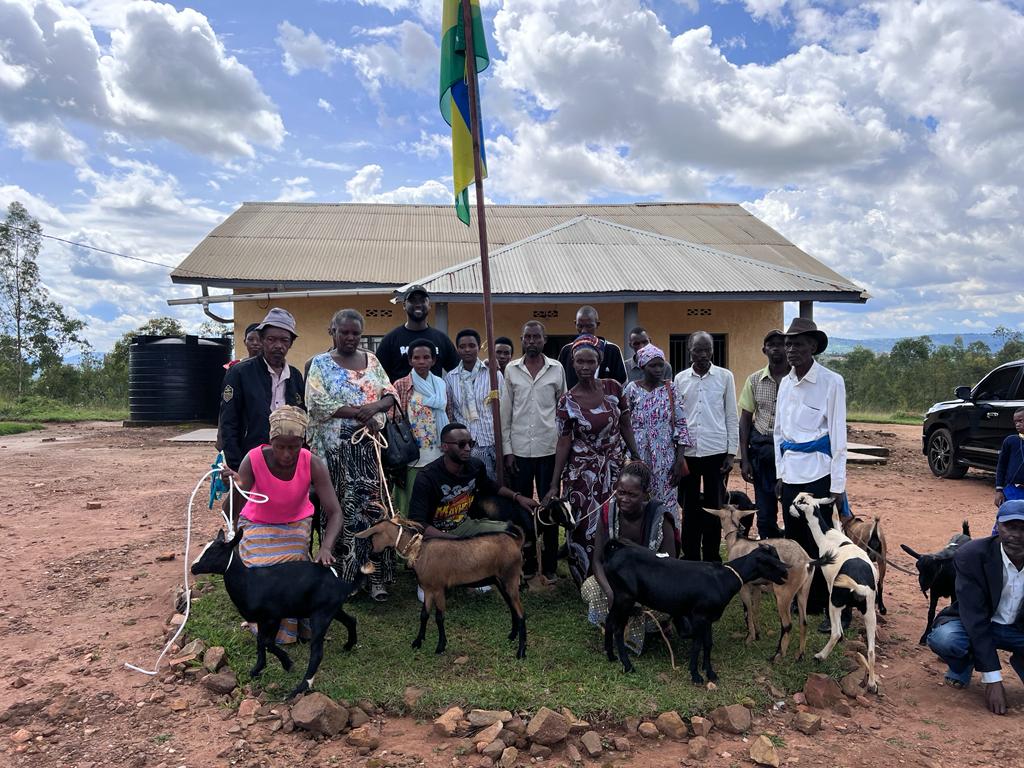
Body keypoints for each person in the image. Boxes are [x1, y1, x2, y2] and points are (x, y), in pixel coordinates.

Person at [221, 405, 343, 644]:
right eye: (280, 447)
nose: (287, 454)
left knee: (291, 573)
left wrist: (326, 547)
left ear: (303, 443)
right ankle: (271, 622)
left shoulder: (312, 463)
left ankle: (292, 620)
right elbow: (228, 512)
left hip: (295, 525)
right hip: (257, 524)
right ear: (271, 441)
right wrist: (235, 487)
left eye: (294, 447)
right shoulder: (253, 459)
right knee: (262, 574)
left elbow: (335, 512)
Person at [305, 309, 399, 601]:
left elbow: (390, 394)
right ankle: (343, 578)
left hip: (369, 454)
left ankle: (376, 578)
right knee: (340, 512)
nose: (350, 337)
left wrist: (375, 407)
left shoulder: (373, 360)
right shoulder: (320, 364)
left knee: (373, 512)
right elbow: (316, 403)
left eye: (355, 333)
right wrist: (360, 413)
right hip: (334, 456)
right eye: (343, 332)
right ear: (332, 331)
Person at [545, 334, 639, 587]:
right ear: (572, 363)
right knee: (584, 524)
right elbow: (563, 441)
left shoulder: (613, 388)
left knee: (617, 521)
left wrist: (636, 456)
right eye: (580, 362)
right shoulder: (567, 401)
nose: (585, 367)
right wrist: (554, 484)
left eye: (590, 361)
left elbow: (625, 424)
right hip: (582, 474)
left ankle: (618, 577)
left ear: (599, 362)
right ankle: (586, 579)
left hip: (615, 469)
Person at [773, 317, 847, 620]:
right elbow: (779, 433)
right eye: (788, 344)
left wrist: (837, 485)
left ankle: (824, 599)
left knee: (822, 540)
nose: (791, 349)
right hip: (790, 473)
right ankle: (801, 595)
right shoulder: (785, 383)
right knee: (795, 539)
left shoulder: (831, 381)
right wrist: (780, 473)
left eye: (798, 344)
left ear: (813, 347)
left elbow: (838, 436)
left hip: (819, 474)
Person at [926, 500, 1024, 715]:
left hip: (1018, 630)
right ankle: (965, 663)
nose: (1016, 535)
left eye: (1023, 528)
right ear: (997, 526)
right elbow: (975, 618)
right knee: (945, 639)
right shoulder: (972, 555)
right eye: (1010, 527)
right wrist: (993, 679)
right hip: (975, 623)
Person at [581, 461, 678, 654]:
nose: (624, 499)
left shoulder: (661, 518)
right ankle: (623, 626)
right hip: (618, 582)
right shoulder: (608, 513)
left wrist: (638, 592)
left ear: (645, 494)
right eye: (621, 492)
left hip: (652, 583)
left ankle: (645, 628)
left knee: (659, 607)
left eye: (632, 495)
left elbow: (669, 564)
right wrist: (610, 593)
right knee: (590, 588)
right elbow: (598, 560)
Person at [500, 321, 567, 581]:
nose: (531, 341)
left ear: (544, 340)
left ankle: (549, 565)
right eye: (527, 337)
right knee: (522, 509)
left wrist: (562, 448)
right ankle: (526, 563)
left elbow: (563, 410)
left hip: (548, 448)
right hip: (519, 451)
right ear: (521, 339)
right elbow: (506, 413)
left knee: (549, 506)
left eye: (536, 337)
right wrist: (507, 450)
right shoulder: (511, 369)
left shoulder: (556, 369)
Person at [673, 331, 738, 562]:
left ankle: (711, 557)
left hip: (716, 451)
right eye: (697, 350)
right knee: (689, 507)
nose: (702, 355)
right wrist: (678, 454)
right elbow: (677, 418)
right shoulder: (680, 379)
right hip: (688, 453)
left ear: (712, 351)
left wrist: (731, 453)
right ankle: (690, 556)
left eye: (707, 350)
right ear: (689, 350)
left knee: (714, 506)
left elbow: (731, 415)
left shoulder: (725, 377)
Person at [409, 423, 538, 536]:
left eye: (471, 443)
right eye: (461, 444)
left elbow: (491, 486)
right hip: (437, 536)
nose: (468, 448)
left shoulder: (475, 466)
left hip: (465, 525)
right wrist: (460, 542)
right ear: (444, 447)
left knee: (512, 533)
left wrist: (517, 497)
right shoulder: (427, 477)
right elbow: (418, 523)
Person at [219, 308, 305, 471]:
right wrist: (236, 465)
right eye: (271, 339)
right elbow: (228, 423)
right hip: (250, 458)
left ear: (291, 343)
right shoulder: (240, 372)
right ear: (262, 340)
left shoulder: (295, 376)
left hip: (287, 460)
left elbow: (301, 419)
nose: (278, 345)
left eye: (284, 340)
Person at [623, 343, 692, 537]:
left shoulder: (671, 389)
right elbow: (624, 423)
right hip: (637, 455)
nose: (658, 369)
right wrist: (629, 456)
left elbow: (681, 425)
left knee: (666, 502)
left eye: (661, 365)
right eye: (653, 365)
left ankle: (668, 543)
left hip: (665, 458)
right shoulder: (632, 389)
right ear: (643, 367)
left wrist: (679, 461)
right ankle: (640, 541)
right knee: (637, 499)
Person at [393, 339, 455, 515]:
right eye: (416, 357)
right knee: (410, 502)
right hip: (412, 456)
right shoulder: (401, 385)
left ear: (433, 360)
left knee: (435, 501)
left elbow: (449, 414)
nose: (421, 361)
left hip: (438, 454)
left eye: (426, 357)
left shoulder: (441, 385)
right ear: (410, 360)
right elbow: (394, 419)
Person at [738, 329, 788, 539]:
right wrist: (745, 459)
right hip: (762, 453)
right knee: (765, 513)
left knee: (793, 509)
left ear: (788, 348)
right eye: (771, 345)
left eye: (781, 344)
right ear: (764, 350)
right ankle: (769, 547)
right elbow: (745, 420)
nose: (776, 348)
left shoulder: (796, 380)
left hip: (790, 453)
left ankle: (793, 551)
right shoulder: (754, 380)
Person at [443, 329, 504, 480]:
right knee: (474, 485)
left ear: (479, 347)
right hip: (468, 445)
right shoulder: (450, 378)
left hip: (493, 440)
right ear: (457, 349)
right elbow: (450, 412)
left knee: (496, 485)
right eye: (462, 346)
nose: (467, 350)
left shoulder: (493, 373)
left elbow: (503, 407)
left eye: (472, 345)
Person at [375, 285, 458, 381]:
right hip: (400, 390)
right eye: (412, 300)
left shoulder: (441, 339)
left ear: (429, 305)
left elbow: (457, 373)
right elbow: (377, 377)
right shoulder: (390, 340)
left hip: (434, 391)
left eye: (422, 300)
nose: (418, 304)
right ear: (404, 305)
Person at [557, 306, 627, 388]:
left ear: (597, 324)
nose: (584, 330)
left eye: (589, 326)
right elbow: (559, 380)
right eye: (580, 326)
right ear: (575, 324)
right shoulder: (566, 350)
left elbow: (622, 383)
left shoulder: (612, 350)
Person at [995, 408, 1024, 511]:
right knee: (1010, 517)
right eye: (1015, 422)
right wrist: (999, 490)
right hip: (1013, 490)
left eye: (1020, 421)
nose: (1017, 424)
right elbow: (1001, 466)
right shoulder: (1010, 441)